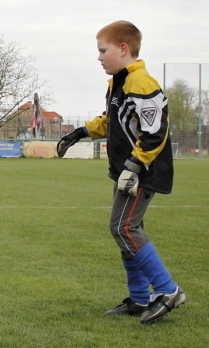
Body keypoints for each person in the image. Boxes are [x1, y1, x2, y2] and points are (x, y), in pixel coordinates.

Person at [56, 20, 184, 324]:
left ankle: (168, 291)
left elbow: (155, 133)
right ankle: (140, 299)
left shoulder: (141, 83)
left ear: (123, 49)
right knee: (123, 230)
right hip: (127, 170)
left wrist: (135, 165)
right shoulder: (119, 81)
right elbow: (110, 121)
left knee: (124, 228)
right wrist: (79, 133)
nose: (99, 57)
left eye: (103, 51)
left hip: (142, 171)